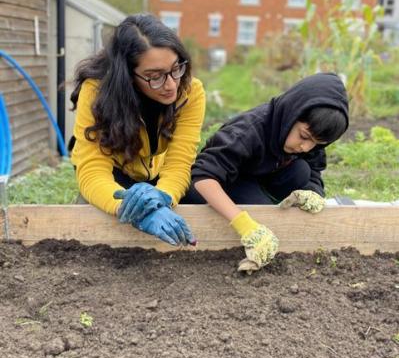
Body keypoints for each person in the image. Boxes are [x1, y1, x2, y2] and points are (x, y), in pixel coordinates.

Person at [189, 73, 349, 273]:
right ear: (292, 114)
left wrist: (314, 192)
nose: (306, 147)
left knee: (302, 171)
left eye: (317, 143)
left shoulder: (308, 142)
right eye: (304, 136)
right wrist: (245, 226)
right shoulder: (247, 131)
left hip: (262, 178)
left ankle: (266, 202)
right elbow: (203, 176)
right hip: (225, 181)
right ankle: (256, 206)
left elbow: (314, 170)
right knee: (257, 212)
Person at [69, 14, 206, 246]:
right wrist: (127, 208)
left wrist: (163, 198)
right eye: (155, 77)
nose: (171, 84)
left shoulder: (190, 92)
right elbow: (92, 171)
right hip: (114, 176)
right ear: (128, 76)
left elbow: (179, 163)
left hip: (155, 178)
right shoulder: (96, 93)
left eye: (176, 69)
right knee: (89, 233)